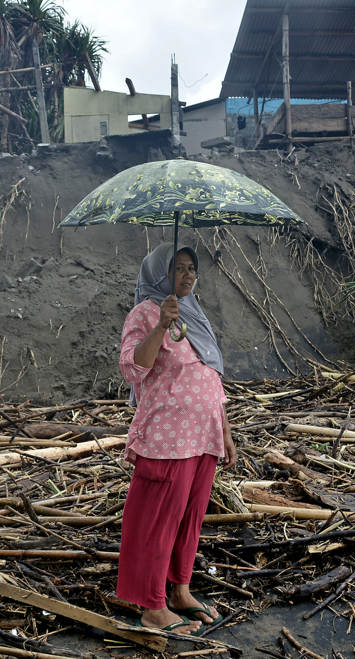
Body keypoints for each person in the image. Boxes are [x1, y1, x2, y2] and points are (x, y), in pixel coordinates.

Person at [116, 242, 236, 635]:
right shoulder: (146, 313)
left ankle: (179, 589)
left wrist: (225, 431)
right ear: (158, 274)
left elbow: (210, 376)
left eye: (191, 269)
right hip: (168, 438)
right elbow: (134, 368)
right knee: (157, 520)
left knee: (190, 518)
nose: (186, 275)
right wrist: (161, 326)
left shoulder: (195, 314)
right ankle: (152, 607)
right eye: (178, 268)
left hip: (203, 435)